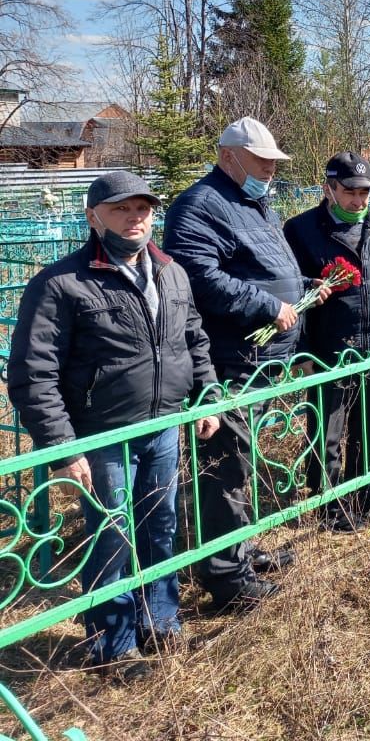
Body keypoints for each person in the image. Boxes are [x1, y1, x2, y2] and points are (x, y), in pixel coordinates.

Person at [8, 171, 221, 681]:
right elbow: (33, 373)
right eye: (122, 209)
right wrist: (63, 446)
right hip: (103, 436)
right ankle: (113, 643)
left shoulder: (171, 272)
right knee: (113, 534)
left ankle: (161, 619)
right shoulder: (62, 284)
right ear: (93, 217)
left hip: (165, 423)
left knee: (162, 524)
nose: (135, 219)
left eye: (143, 209)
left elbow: (194, 340)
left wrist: (208, 396)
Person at [163, 117, 320, 611]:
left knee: (242, 459)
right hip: (228, 356)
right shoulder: (200, 205)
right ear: (228, 156)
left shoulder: (255, 203)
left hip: (260, 356)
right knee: (226, 461)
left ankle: (241, 548)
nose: (271, 169)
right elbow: (197, 276)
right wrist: (265, 304)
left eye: (275, 162)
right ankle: (227, 578)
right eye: (262, 160)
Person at [284, 152, 370, 532]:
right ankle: (331, 505)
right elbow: (294, 295)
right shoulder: (302, 230)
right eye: (350, 191)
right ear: (330, 189)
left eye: (365, 192)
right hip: (329, 349)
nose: (358, 200)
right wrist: (302, 351)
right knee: (328, 430)